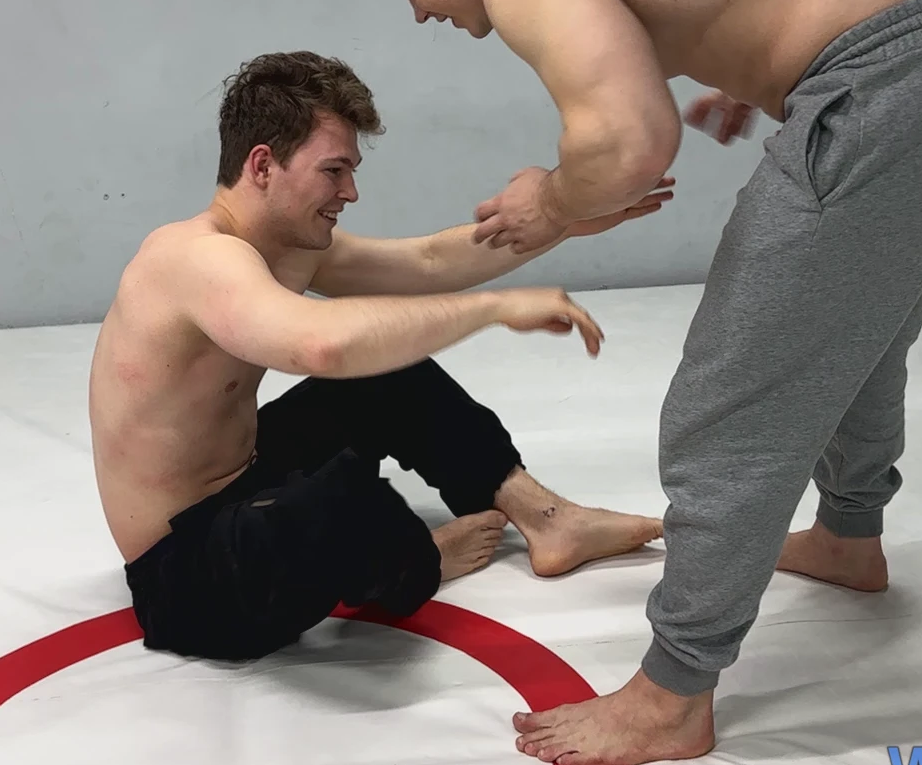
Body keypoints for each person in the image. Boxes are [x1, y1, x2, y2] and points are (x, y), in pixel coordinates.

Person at [343, 0, 922, 765]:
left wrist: (552, 203)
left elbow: (630, 144)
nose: (419, 13)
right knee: (858, 329)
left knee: (727, 399)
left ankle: (673, 696)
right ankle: (848, 538)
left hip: (893, 84)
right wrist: (764, 58)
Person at [88, 50, 672, 664]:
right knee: (343, 503)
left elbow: (427, 262)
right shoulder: (193, 258)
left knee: (387, 374)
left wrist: (558, 219)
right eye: (333, 171)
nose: (351, 192)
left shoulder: (285, 246)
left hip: (243, 480)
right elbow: (321, 343)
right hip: (183, 574)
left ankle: (548, 519)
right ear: (262, 165)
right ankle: (423, 559)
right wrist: (494, 309)